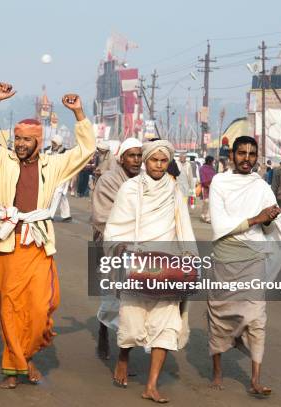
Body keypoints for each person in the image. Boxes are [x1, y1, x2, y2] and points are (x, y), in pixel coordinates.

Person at [0, 83, 95, 389]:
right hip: (9, 243)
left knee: (41, 308)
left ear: (38, 141)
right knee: (10, 307)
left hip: (38, 243)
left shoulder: (54, 165)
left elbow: (87, 150)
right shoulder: (1, 160)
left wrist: (78, 113)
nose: (21, 144)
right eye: (18, 139)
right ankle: (16, 366)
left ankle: (25, 356)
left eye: (27, 140)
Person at [104, 139, 194, 403]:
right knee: (131, 325)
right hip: (137, 264)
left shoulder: (175, 191)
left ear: (168, 163)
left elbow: (183, 227)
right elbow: (116, 225)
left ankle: (151, 385)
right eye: (154, 160)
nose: (158, 165)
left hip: (168, 267)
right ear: (145, 161)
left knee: (166, 326)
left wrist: (188, 260)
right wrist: (120, 248)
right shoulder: (130, 189)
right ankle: (123, 356)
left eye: (163, 160)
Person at [208, 135, 281, 396]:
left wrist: (269, 219)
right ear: (231, 155)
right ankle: (218, 370)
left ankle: (255, 379)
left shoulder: (261, 186)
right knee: (220, 317)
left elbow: (268, 225)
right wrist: (257, 218)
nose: (246, 158)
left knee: (256, 318)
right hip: (225, 258)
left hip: (254, 258)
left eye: (251, 154)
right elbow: (220, 225)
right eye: (241, 153)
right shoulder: (219, 183)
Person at [91, 137, 143, 360]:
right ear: (121, 158)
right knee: (112, 297)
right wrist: (120, 238)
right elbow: (101, 216)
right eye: (132, 155)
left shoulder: (146, 180)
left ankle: (125, 353)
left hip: (140, 244)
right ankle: (103, 330)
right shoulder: (109, 181)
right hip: (112, 244)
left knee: (135, 300)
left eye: (140, 156)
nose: (137, 160)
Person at [47, 135, 72, 222]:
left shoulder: (66, 153)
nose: (53, 144)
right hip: (51, 176)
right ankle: (66, 215)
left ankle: (50, 215)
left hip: (62, 176)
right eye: (52, 142)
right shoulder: (48, 151)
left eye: (55, 143)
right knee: (62, 195)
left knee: (57, 193)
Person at [199, 156, 216, 223]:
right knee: (206, 202)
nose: (213, 162)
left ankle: (206, 216)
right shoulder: (202, 168)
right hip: (205, 187)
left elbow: (214, 176)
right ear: (210, 161)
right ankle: (205, 216)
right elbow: (202, 178)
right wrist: (207, 184)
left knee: (210, 202)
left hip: (212, 187)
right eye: (212, 161)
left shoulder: (212, 168)